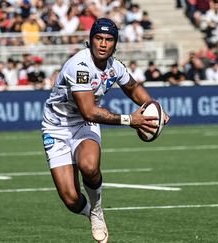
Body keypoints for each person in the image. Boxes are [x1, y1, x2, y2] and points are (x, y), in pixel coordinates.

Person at [41, 18, 169, 243]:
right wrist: (132, 120)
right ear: (90, 41)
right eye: (98, 38)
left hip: (83, 125)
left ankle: (97, 210)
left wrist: (153, 108)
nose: (102, 44)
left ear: (115, 44)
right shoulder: (79, 66)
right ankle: (89, 210)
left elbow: (133, 87)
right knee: (71, 200)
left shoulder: (115, 66)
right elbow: (89, 111)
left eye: (108, 40)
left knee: (89, 166)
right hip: (57, 127)